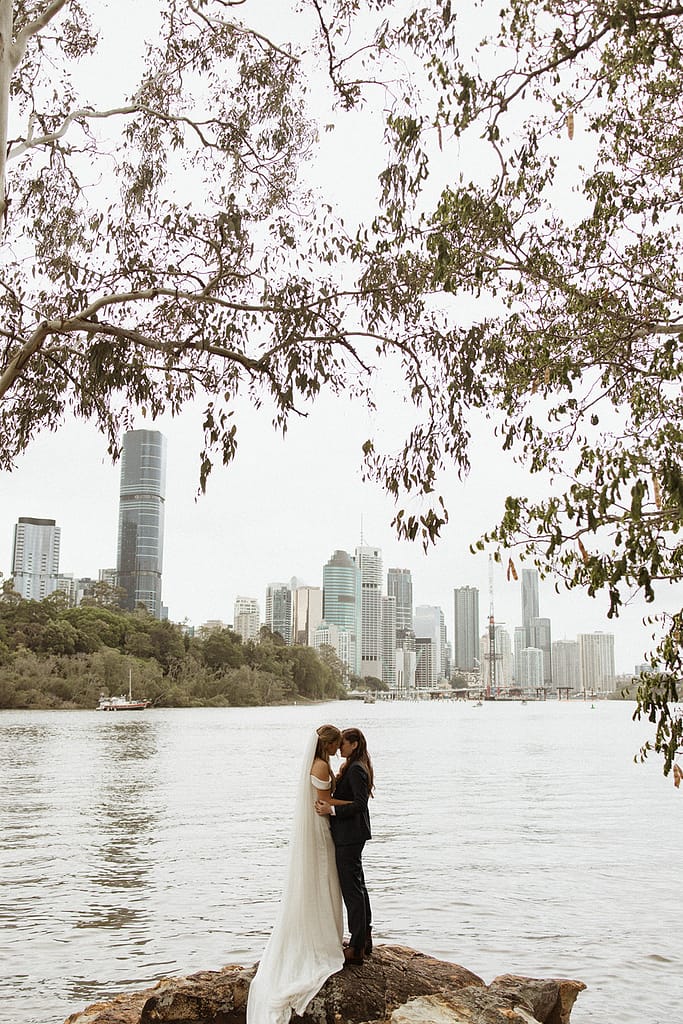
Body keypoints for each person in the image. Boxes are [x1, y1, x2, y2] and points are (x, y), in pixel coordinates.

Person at [246, 724, 345, 1024]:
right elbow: (323, 803)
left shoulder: (318, 765)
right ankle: (324, 938)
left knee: (317, 881)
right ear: (326, 745)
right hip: (320, 831)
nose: (337, 750)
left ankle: (321, 932)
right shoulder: (321, 767)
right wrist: (352, 803)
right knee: (325, 878)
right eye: (335, 745)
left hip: (313, 830)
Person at [315, 727, 373, 966]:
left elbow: (360, 804)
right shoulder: (353, 766)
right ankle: (363, 939)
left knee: (352, 890)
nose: (340, 748)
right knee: (357, 886)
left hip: (351, 835)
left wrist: (332, 809)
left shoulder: (357, 768)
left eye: (343, 745)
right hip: (351, 835)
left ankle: (357, 947)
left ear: (355, 744)